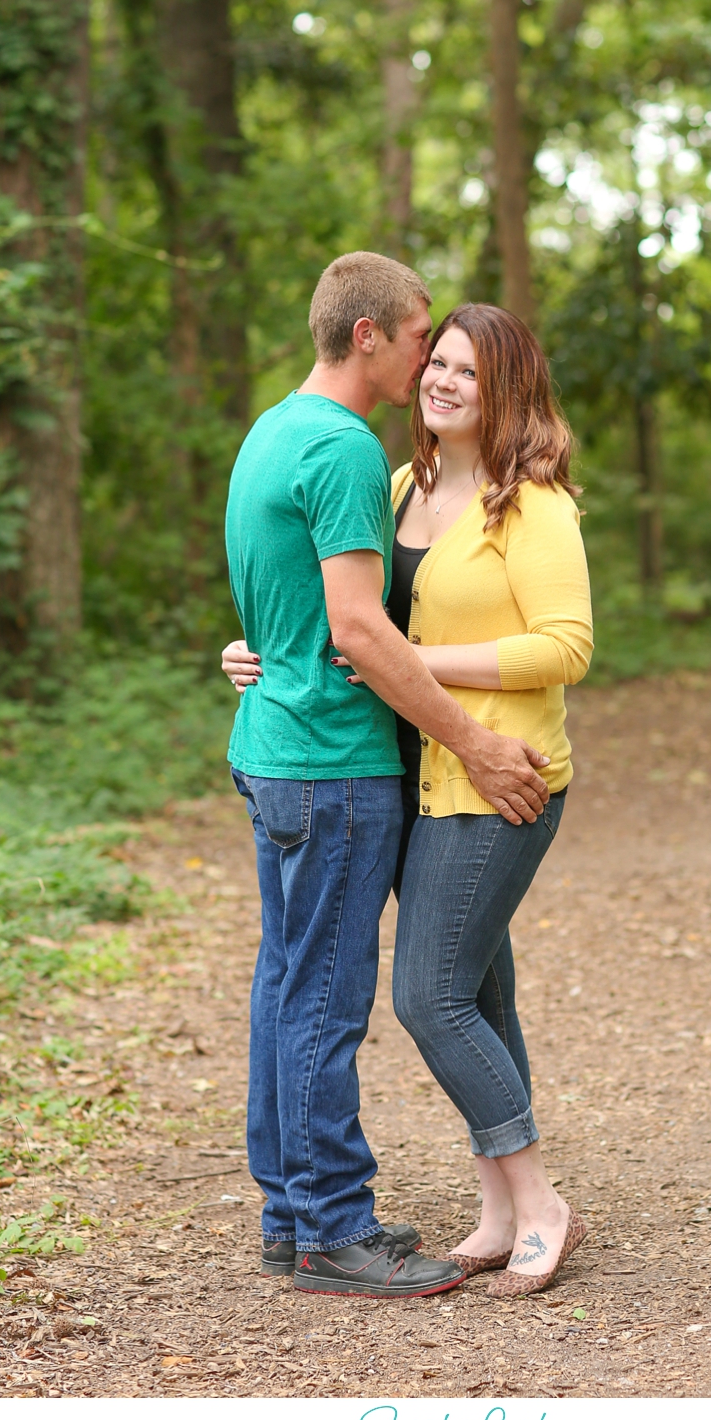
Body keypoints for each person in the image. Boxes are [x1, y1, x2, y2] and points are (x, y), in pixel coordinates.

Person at [223, 253, 550, 1300]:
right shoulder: (352, 453)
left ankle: (290, 1213)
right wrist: (480, 741)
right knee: (325, 995)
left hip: (273, 747)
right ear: (368, 335)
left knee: (287, 984)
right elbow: (358, 627)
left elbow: (297, 611)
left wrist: (259, 650)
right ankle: (330, 1228)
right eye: (419, 337)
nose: (426, 356)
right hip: (332, 761)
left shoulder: (273, 430)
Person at [377, 304, 594, 1297]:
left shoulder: (531, 502)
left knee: (427, 994)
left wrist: (426, 663)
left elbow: (567, 644)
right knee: (480, 993)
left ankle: (541, 1199)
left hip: (503, 776)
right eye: (438, 362)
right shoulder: (399, 490)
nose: (444, 379)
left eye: (467, 367)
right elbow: (357, 623)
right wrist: (259, 653)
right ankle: (501, 1209)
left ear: (504, 389)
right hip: (424, 782)